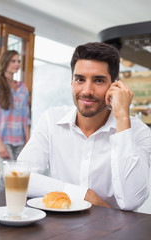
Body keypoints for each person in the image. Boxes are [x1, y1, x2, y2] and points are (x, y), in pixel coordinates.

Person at [18, 42, 151, 210]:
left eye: (98, 81)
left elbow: (132, 201)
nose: (87, 90)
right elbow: (21, 176)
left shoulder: (139, 132)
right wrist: (84, 195)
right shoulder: (51, 120)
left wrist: (123, 117)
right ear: (72, 81)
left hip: (114, 232)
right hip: (61, 227)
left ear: (115, 85)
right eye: (80, 79)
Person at [0, 50, 30, 193]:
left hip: (20, 142)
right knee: (12, 176)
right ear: (5, 63)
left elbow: (26, 117)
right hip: (3, 141)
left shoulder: (23, 88)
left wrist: (28, 141)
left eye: (18, 61)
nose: (17, 64)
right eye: (13, 61)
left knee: (8, 176)